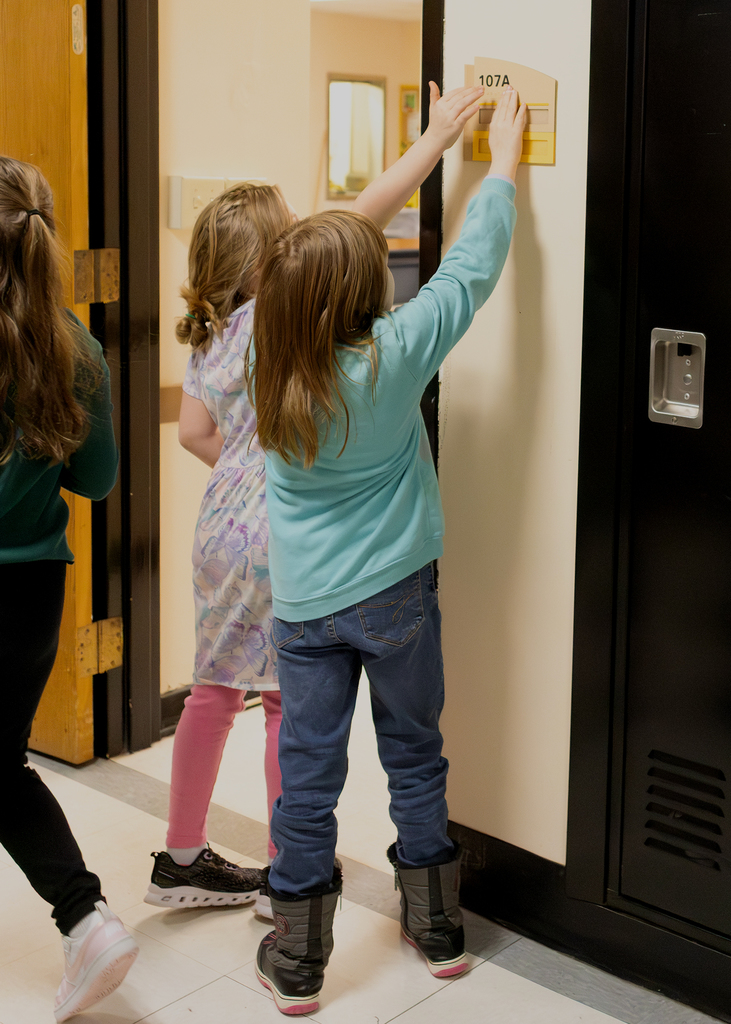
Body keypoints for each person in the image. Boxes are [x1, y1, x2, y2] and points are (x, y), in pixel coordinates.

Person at [145, 81, 486, 919]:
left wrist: (238, 470)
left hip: (217, 529)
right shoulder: (275, 317)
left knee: (212, 691)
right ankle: (285, 876)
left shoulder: (208, 332)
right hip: (277, 529)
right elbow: (365, 213)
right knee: (285, 707)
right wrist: (435, 139)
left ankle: (180, 854)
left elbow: (192, 433)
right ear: (272, 263)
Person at [247, 85, 527, 1015]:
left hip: (304, 608)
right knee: (414, 752)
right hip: (398, 596)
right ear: (368, 290)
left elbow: (315, 255)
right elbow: (473, 268)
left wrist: (430, 140)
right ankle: (438, 928)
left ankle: (296, 958)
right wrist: (497, 164)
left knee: (309, 770)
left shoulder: (265, 352)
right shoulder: (394, 352)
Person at [0, 156, 138, 1021]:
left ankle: (85, 915)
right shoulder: (76, 345)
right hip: (33, 598)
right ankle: (86, 918)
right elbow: (96, 480)